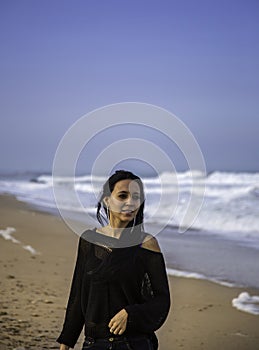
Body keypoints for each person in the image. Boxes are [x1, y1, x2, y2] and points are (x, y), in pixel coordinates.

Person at [57, 170, 171, 350]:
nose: (130, 203)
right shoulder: (89, 240)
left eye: (136, 197)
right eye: (122, 196)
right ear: (107, 200)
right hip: (93, 344)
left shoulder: (146, 244)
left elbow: (162, 300)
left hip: (132, 343)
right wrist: (66, 341)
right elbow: (78, 295)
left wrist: (130, 314)